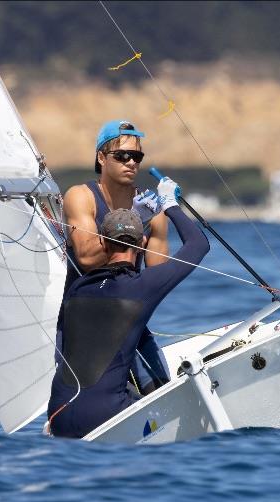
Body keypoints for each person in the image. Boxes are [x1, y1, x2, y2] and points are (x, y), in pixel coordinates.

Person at [48, 177, 209, 438]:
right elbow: (199, 244)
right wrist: (170, 205)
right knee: (165, 401)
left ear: (101, 243)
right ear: (143, 243)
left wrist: (132, 215)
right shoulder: (143, 286)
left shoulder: (77, 289)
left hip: (57, 418)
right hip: (104, 418)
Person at [56, 120, 170, 393]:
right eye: (122, 156)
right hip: (83, 323)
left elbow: (159, 278)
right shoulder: (80, 197)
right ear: (101, 158)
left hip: (129, 319)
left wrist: (171, 207)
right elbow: (87, 258)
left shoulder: (152, 208)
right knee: (89, 400)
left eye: (137, 157)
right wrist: (135, 222)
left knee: (159, 389)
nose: (131, 162)